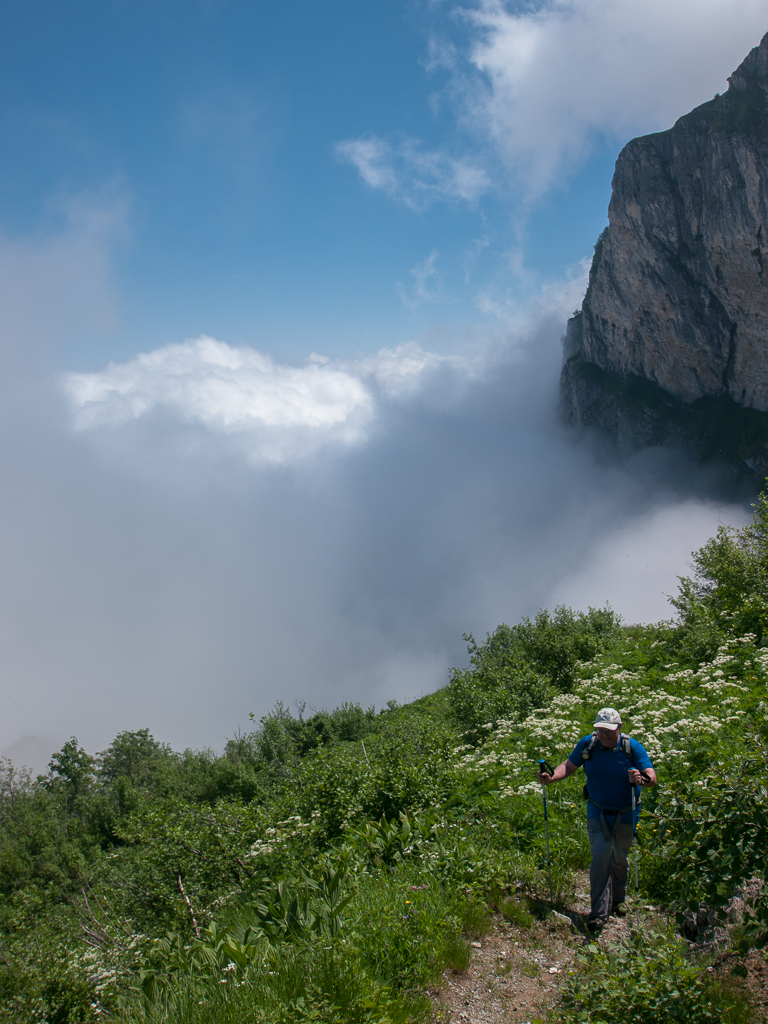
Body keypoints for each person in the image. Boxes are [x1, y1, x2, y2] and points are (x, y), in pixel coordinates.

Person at [536, 707, 657, 931]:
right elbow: (569, 766)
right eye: (601, 731)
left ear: (619, 727)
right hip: (597, 811)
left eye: (609, 731)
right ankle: (598, 913)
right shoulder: (588, 745)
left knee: (620, 857)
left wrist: (640, 779)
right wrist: (551, 778)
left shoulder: (632, 748)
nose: (604, 736)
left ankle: (618, 900)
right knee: (601, 855)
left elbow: (652, 778)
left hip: (626, 813)